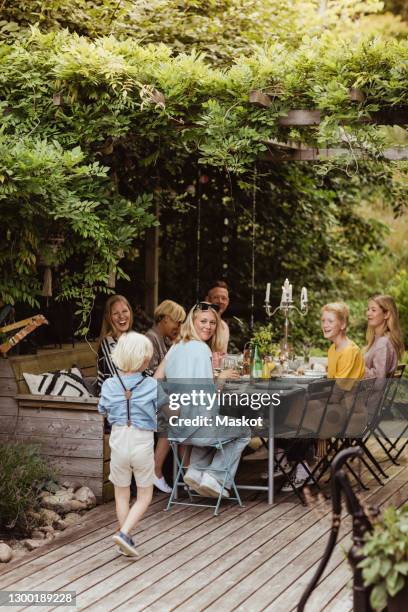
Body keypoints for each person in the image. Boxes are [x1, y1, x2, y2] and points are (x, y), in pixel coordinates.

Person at [156, 302, 250, 499]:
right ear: (192, 321)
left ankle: (196, 472)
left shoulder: (176, 346)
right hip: (196, 429)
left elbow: (155, 380)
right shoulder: (202, 350)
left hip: (176, 429)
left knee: (213, 427)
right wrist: (222, 379)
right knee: (244, 431)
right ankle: (215, 476)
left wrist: (167, 409)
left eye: (212, 322)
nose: (208, 326)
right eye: (203, 321)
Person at [98, 332, 167, 557]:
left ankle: (124, 537)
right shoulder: (151, 385)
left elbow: (102, 410)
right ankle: (125, 533)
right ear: (145, 359)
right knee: (145, 495)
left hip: (117, 441)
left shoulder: (108, 384)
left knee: (122, 493)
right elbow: (166, 408)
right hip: (141, 442)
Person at [145, 300, 186, 494]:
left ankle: (187, 473)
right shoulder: (150, 339)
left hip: (159, 394)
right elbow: (149, 377)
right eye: (176, 322)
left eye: (181, 323)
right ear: (163, 318)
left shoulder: (165, 340)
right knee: (175, 416)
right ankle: (157, 469)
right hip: (145, 397)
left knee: (184, 411)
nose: (178, 327)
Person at [97, 295, 133, 393]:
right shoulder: (108, 343)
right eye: (116, 313)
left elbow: (146, 372)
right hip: (113, 401)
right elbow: (120, 381)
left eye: (125, 311)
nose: (121, 316)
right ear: (109, 318)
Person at [364, 294, 404, 379]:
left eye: (373, 310)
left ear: (386, 314)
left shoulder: (383, 343)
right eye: (368, 309)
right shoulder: (380, 339)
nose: (368, 313)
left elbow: (379, 381)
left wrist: (356, 367)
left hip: (368, 392)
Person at [205, 280, 230, 354]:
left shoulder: (224, 327)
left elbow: (222, 356)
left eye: (224, 298)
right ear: (207, 299)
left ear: (228, 302)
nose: (220, 301)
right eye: (216, 297)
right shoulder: (201, 324)